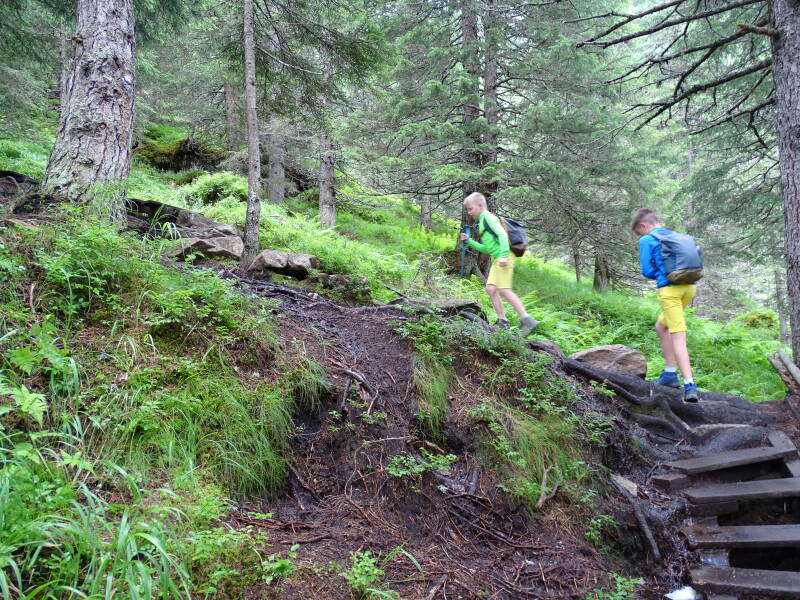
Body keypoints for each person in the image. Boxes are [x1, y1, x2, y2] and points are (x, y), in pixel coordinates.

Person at [631, 208, 699, 402]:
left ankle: (690, 385)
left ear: (643, 225)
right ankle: (669, 374)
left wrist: (663, 274)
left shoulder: (647, 239)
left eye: (639, 232)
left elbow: (646, 271)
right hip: (690, 287)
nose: (640, 236)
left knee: (678, 335)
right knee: (662, 326)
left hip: (670, 290)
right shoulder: (678, 236)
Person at [459, 192, 539, 335]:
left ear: (480, 205)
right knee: (491, 288)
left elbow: (502, 235)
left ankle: (527, 320)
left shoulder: (488, 218)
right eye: (468, 209)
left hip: (505, 256)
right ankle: (502, 321)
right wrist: (469, 241)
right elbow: (487, 249)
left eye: (470, 209)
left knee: (504, 289)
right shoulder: (482, 222)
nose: (469, 212)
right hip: (498, 258)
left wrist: (503, 256)